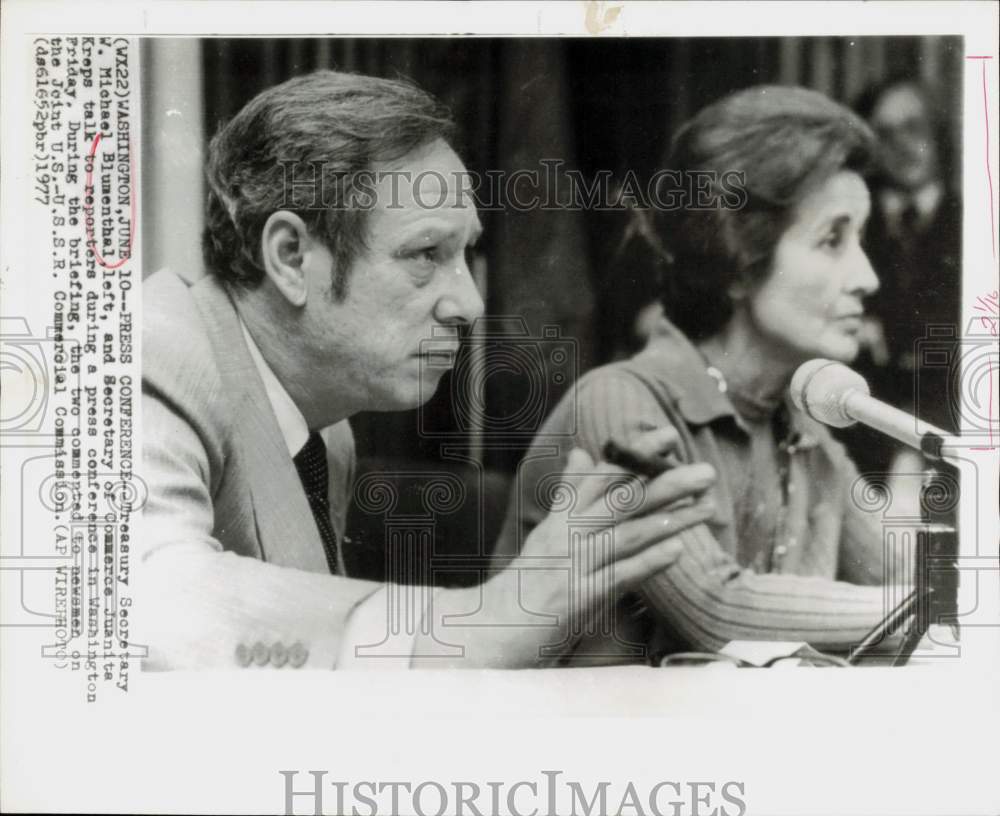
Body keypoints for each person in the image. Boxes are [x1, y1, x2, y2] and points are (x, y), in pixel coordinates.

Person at [141, 70, 718, 670]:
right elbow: (145, 597)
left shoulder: (326, 429)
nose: (468, 304)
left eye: (465, 254)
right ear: (291, 256)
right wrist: (487, 621)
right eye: (425, 255)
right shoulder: (146, 351)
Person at [496, 85, 911, 663]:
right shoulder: (620, 402)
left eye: (861, 240)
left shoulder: (804, 433)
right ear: (737, 257)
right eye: (832, 240)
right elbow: (717, 610)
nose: (868, 277)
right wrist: (935, 608)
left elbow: (908, 571)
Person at [846, 78, 962, 478]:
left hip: (953, 445)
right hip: (864, 451)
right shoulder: (849, 225)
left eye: (914, 127)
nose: (901, 144)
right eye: (884, 133)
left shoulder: (976, 222)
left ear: (938, 132)